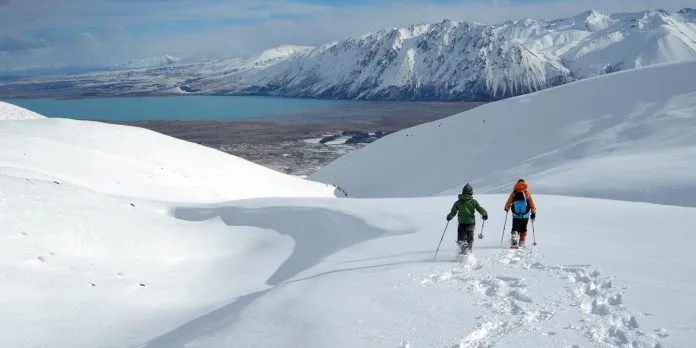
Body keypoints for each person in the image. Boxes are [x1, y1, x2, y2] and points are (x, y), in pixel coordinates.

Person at [447, 183, 488, 254]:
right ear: (471, 192)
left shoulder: (458, 202)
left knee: (461, 238)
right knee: (470, 238)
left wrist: (449, 216)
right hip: (471, 223)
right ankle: (469, 251)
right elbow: (479, 209)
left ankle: (463, 249)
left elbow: (453, 212)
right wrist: (484, 214)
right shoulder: (473, 202)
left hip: (462, 223)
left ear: (463, 192)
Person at [504, 179, 536, 248]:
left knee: (515, 228)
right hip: (525, 215)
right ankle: (522, 242)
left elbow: (509, 202)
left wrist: (506, 208)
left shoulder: (514, 193)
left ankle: (514, 241)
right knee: (523, 228)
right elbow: (531, 203)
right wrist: (533, 212)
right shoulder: (527, 193)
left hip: (516, 215)